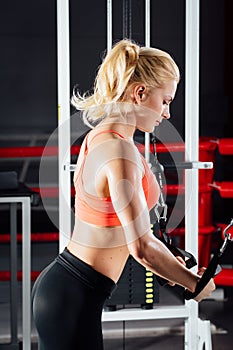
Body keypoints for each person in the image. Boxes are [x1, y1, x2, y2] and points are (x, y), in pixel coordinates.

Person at [32, 39, 215, 350]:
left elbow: (127, 233)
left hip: (69, 287)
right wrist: (195, 285)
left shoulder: (104, 137)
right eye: (165, 101)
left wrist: (172, 264)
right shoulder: (119, 152)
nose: (168, 114)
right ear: (140, 93)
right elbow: (141, 248)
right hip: (73, 294)